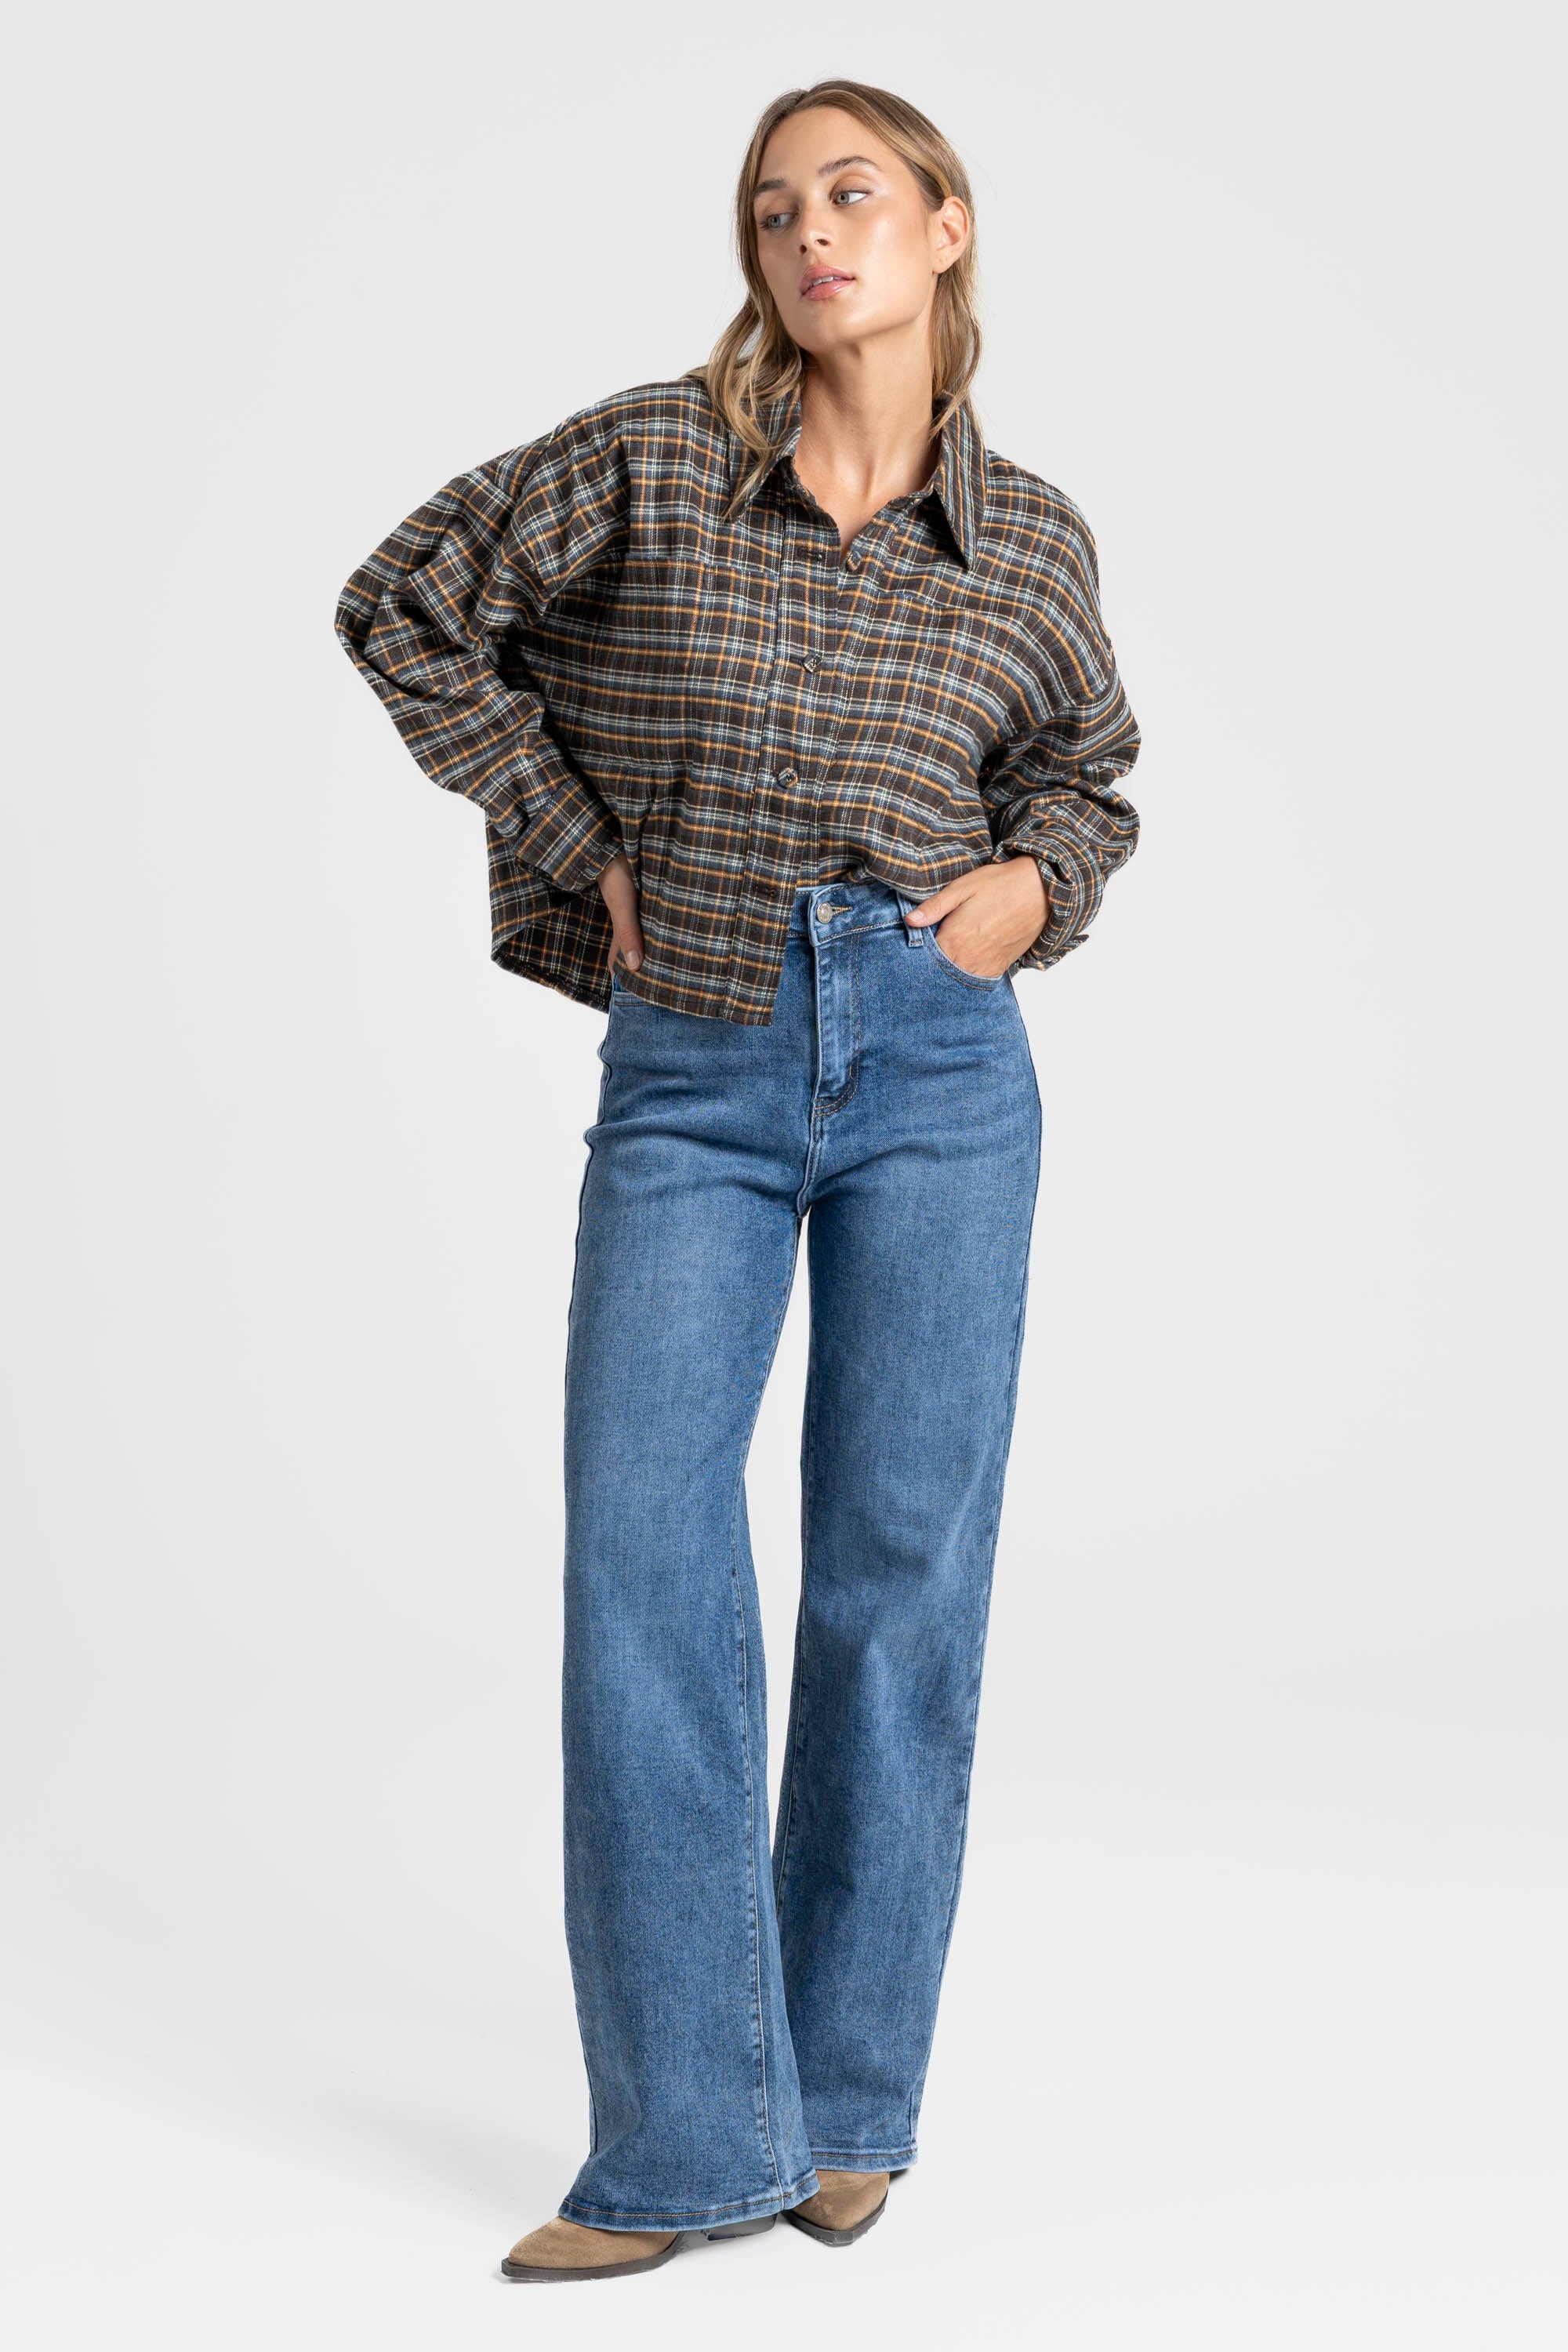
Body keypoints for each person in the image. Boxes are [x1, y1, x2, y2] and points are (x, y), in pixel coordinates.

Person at [335, 76, 1142, 2285]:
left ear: (948, 226)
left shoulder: (1032, 540)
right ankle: (691, 2133)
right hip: (696, 1057)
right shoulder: (654, 460)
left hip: (941, 1068)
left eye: (852, 195)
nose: (810, 237)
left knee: (900, 1574)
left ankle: (849, 2104)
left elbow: (1088, 774)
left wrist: (1028, 893)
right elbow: (405, 604)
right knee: (645, 1554)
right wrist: (572, 844)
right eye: (775, 209)